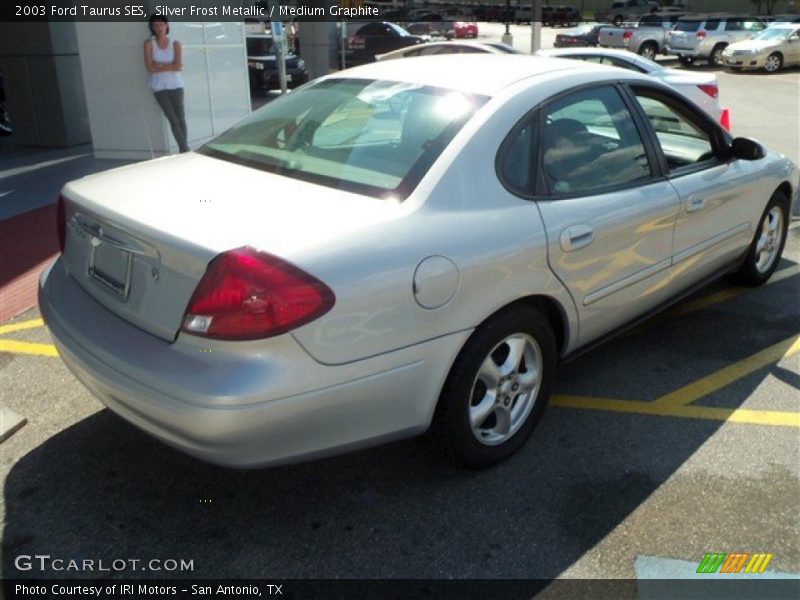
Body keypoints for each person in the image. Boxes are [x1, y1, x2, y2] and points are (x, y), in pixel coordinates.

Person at [144, 14, 189, 153]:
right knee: (172, 118)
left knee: (180, 118)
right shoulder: (148, 43)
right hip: (159, 87)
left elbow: (178, 66)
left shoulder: (175, 43)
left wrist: (160, 65)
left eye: (161, 24)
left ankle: (183, 149)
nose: (159, 28)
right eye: (155, 25)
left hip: (176, 85)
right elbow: (149, 67)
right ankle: (185, 150)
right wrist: (168, 65)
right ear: (152, 27)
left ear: (167, 25)